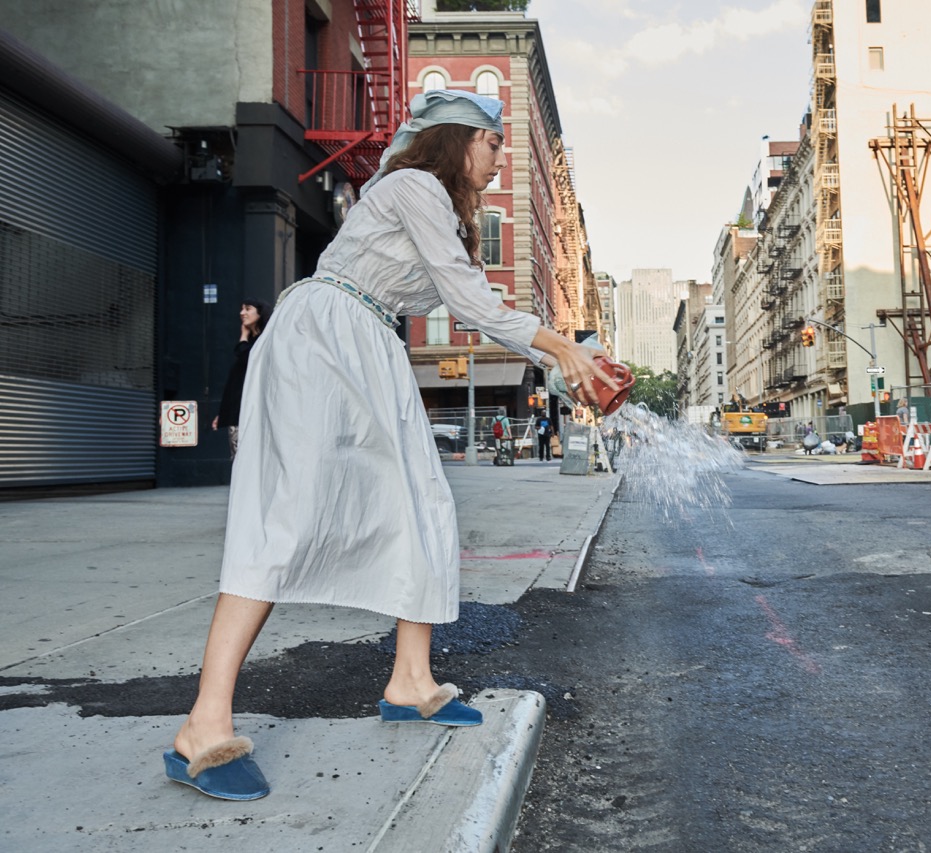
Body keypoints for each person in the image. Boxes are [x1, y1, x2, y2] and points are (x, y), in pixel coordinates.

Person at [163, 90, 618, 802]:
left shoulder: (438, 210)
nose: (499, 160)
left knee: (424, 508)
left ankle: (411, 680)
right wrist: (561, 344)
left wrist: (566, 363)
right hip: (325, 334)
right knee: (286, 519)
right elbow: (473, 303)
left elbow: (470, 301)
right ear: (459, 139)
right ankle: (203, 722)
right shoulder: (412, 186)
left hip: (370, 342)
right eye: (494, 144)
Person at [211, 300, 271, 461]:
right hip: (239, 410)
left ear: (260, 314)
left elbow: (249, 360)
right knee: (238, 457)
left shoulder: (264, 340)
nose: (242, 313)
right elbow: (235, 384)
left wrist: (243, 337)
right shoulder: (251, 342)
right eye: (241, 309)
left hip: (254, 410)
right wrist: (223, 413)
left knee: (245, 458)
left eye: (248, 309)